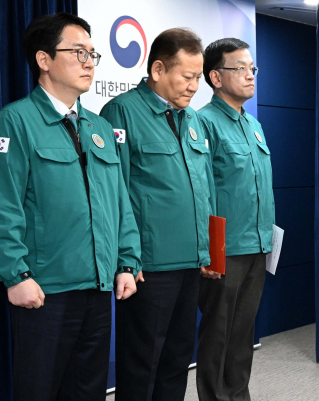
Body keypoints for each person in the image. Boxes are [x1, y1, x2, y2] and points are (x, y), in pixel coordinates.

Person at [0, 13, 141, 401]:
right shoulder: (12, 122)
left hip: (100, 287)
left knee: (88, 390)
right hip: (46, 289)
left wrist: (126, 262)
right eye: (78, 52)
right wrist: (15, 275)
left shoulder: (100, 128)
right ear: (44, 59)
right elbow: (2, 206)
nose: (88, 61)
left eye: (92, 53)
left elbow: (120, 201)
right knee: (39, 390)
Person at [100, 29, 214, 401]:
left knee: (178, 360)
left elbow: (205, 190)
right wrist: (127, 258)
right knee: (142, 363)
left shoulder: (193, 119)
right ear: (158, 69)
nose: (195, 86)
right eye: (188, 76)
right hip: (150, 265)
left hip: (191, 263)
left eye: (199, 77)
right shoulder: (122, 111)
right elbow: (116, 192)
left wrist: (209, 250)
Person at [196, 37, 275, 401]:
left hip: (257, 244)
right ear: (214, 76)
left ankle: (238, 395)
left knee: (243, 333)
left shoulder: (253, 125)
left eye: (252, 68)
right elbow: (202, 193)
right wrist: (210, 252)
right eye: (239, 68)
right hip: (224, 249)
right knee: (218, 334)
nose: (249, 75)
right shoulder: (203, 123)